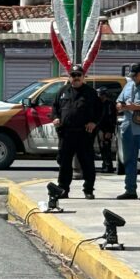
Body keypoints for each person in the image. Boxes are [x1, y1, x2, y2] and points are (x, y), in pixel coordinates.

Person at [52, 64, 100, 200]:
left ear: (83, 77)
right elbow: (55, 108)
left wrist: (94, 122)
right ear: (69, 77)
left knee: (87, 163)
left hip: (84, 133)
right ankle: (63, 189)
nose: (76, 78)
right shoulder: (62, 91)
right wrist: (55, 118)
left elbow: (99, 111)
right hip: (66, 134)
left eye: (79, 75)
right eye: (73, 75)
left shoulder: (90, 93)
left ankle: (88, 190)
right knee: (64, 163)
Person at [117, 63, 140, 199]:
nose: (134, 78)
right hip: (128, 127)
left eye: (136, 75)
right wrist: (120, 105)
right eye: (132, 76)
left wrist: (137, 107)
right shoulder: (129, 85)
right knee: (129, 160)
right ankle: (130, 190)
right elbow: (119, 100)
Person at [97, 87, 117, 174]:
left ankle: (109, 166)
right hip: (100, 129)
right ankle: (105, 164)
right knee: (102, 148)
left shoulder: (110, 104)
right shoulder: (99, 104)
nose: (98, 96)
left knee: (106, 148)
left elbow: (112, 118)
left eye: (99, 94)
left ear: (103, 95)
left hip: (106, 129)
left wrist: (109, 131)